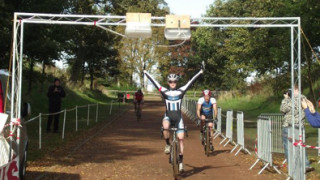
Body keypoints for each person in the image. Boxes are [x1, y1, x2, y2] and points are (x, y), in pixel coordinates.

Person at [144, 68, 203, 173]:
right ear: (168, 82)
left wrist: (200, 72)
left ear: (177, 82)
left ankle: (180, 162)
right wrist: (145, 72)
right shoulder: (164, 91)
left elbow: (191, 81)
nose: (172, 83)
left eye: (174, 81)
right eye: (170, 81)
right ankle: (167, 144)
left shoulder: (181, 91)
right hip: (168, 116)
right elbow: (154, 82)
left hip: (178, 118)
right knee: (165, 126)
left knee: (181, 139)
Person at [280, 87, 314, 172]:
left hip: (288, 125)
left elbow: (283, 109)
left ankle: (292, 167)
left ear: (296, 90)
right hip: (300, 126)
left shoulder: (291, 100)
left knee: (288, 147)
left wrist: (286, 99)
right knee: (301, 146)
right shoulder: (303, 98)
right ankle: (305, 164)